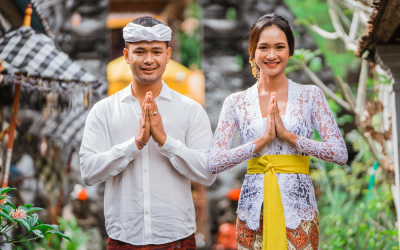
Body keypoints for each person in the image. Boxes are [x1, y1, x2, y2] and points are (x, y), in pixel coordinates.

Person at [208, 14, 348, 250]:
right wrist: (261, 141)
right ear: (252, 52)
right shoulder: (236, 102)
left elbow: (340, 154)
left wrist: (290, 137)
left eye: (279, 47)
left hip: (299, 213)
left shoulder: (310, 96)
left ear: (290, 52)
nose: (272, 55)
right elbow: (215, 162)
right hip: (253, 213)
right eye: (264, 47)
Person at [80, 16, 216, 250]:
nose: (149, 59)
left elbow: (208, 173)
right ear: (126, 55)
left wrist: (166, 142)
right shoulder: (103, 111)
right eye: (140, 51)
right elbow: (89, 172)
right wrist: (135, 144)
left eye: (156, 51)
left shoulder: (191, 110)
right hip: (124, 238)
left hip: (177, 238)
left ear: (168, 55)